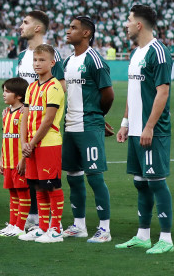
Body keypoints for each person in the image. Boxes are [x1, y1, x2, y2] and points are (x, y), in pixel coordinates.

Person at [115, 5, 174, 255]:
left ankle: (166, 239)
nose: (125, 25)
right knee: (141, 183)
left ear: (139, 25)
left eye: (128, 20)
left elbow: (163, 92)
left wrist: (149, 126)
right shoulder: (136, 53)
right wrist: (126, 123)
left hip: (153, 130)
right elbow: (133, 91)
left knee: (156, 182)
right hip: (136, 129)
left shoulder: (158, 52)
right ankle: (142, 236)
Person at [61, 16, 114, 243]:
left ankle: (104, 229)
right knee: (73, 177)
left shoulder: (94, 60)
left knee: (94, 177)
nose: (68, 31)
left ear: (86, 33)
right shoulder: (67, 61)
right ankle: (79, 225)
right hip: (70, 127)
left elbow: (108, 94)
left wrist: (97, 117)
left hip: (89, 126)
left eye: (73, 28)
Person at [13, 10, 63, 231]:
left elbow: (59, 87)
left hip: (45, 128)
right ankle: (35, 220)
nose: (20, 26)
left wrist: (43, 115)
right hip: (26, 123)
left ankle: (53, 225)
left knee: (48, 182)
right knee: (29, 175)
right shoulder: (24, 56)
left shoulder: (53, 55)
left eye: (25, 23)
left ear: (38, 28)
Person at [18, 44, 66, 243]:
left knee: (52, 186)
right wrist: (23, 142)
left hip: (48, 144)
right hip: (32, 145)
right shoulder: (31, 87)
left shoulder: (55, 87)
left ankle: (56, 230)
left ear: (52, 63)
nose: (37, 64)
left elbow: (48, 120)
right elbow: (25, 116)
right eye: (35, 60)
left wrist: (32, 142)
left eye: (42, 60)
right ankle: (43, 227)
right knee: (38, 186)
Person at [0, 78, 30, 237]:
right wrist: (1, 159)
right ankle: (12, 224)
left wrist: (24, 159)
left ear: (19, 96)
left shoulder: (23, 113)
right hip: (8, 161)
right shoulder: (6, 112)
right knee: (13, 194)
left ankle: (20, 226)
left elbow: (27, 138)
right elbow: (5, 137)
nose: (3, 94)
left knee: (23, 194)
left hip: (18, 162)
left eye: (7, 91)